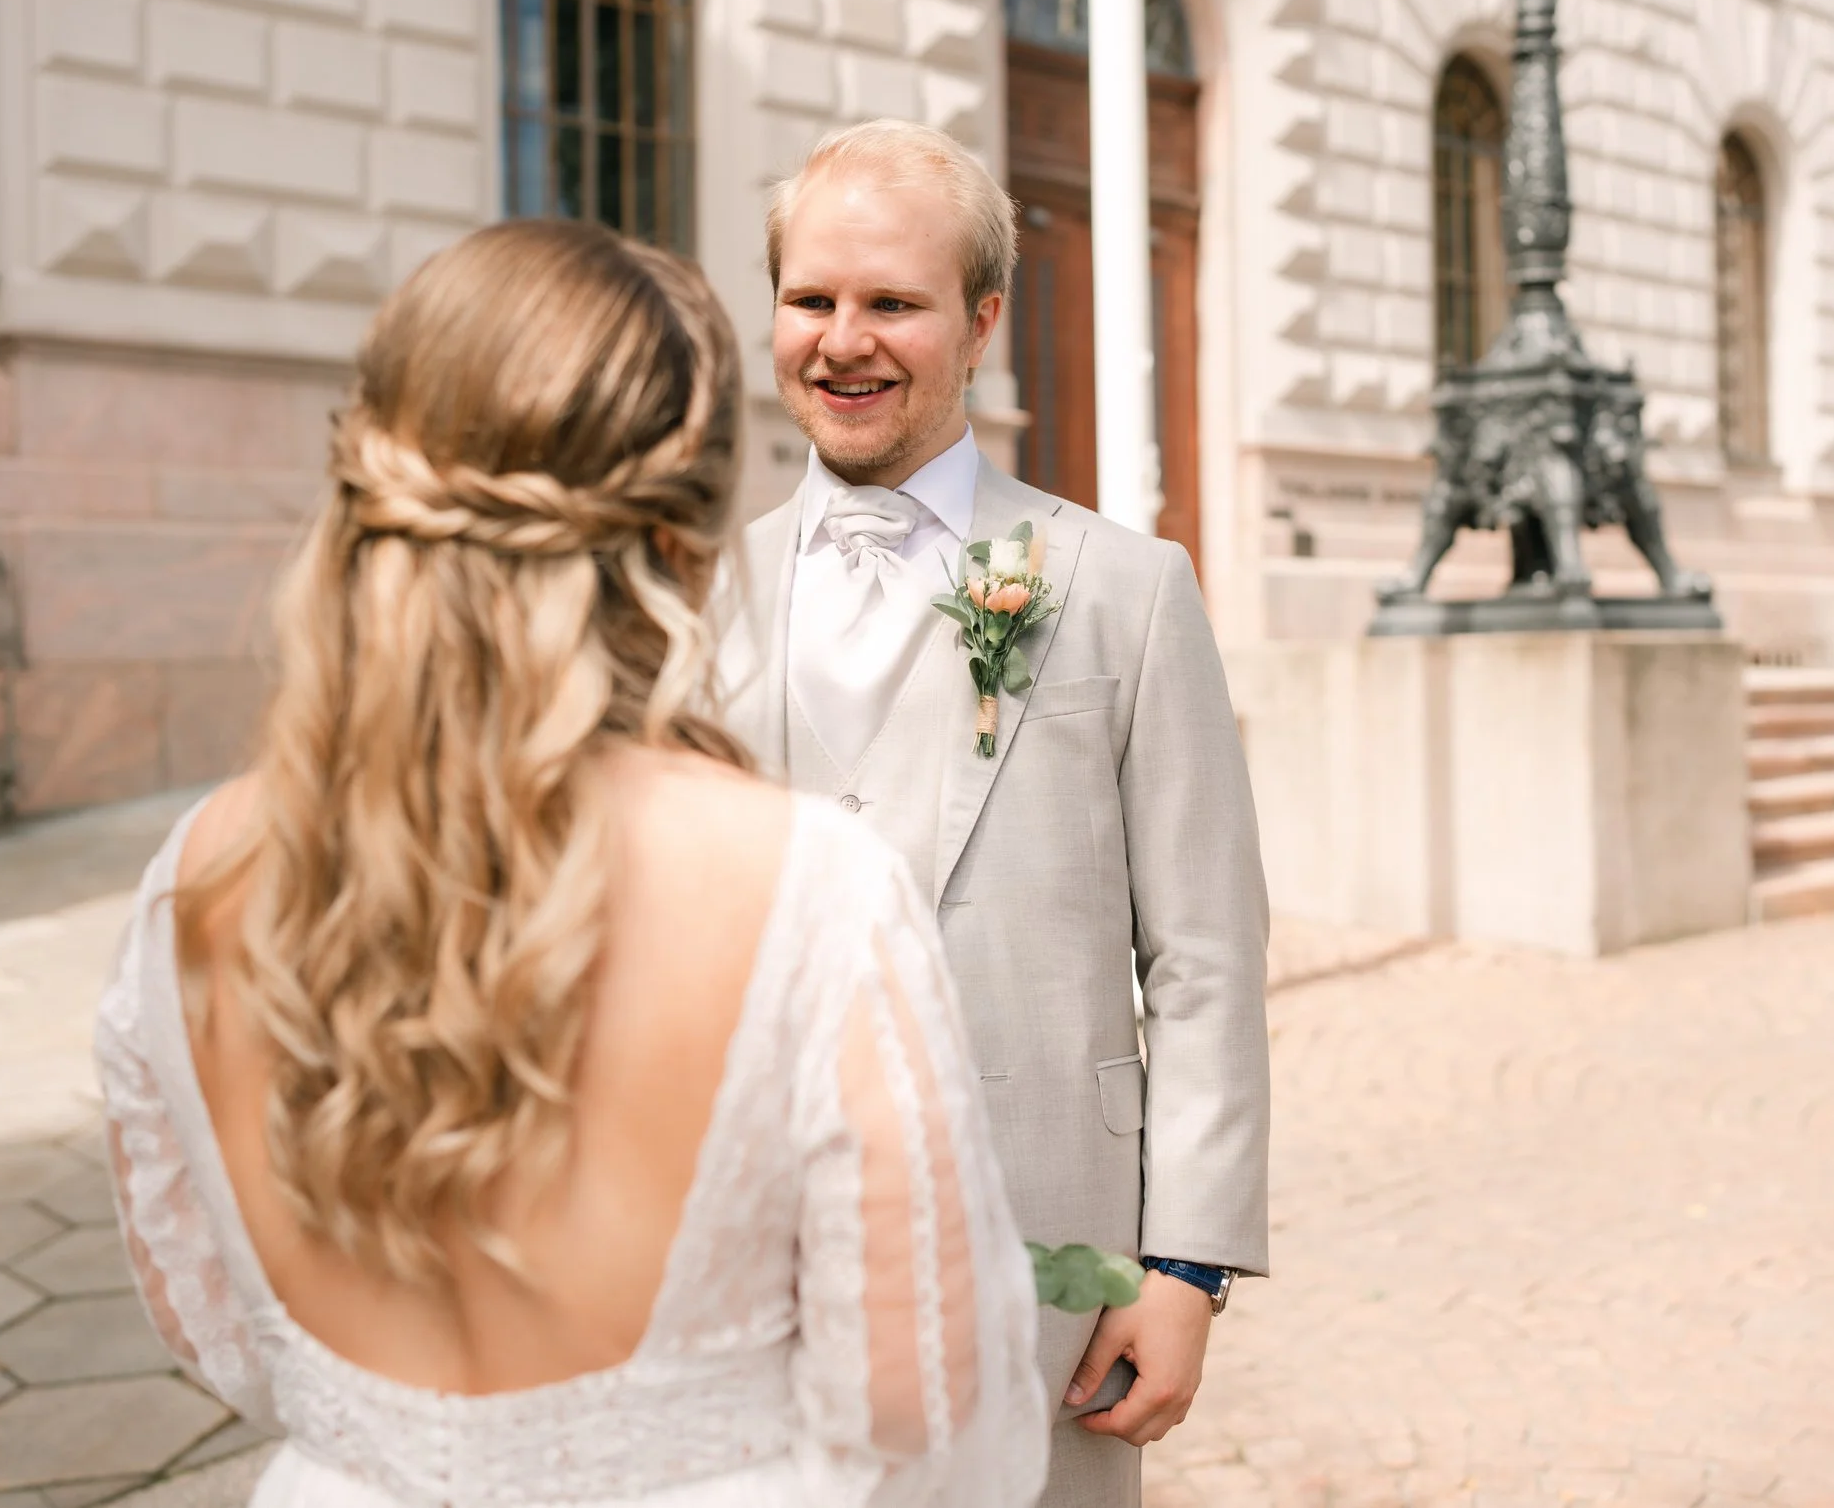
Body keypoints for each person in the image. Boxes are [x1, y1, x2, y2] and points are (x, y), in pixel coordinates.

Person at [94, 220, 1049, 1508]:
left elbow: (215, 1325)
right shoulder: (807, 891)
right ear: (683, 539)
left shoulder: (192, 879)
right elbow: (925, 1413)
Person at [718, 119, 1272, 1508]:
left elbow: (1204, 958)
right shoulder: (694, 597)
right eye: (812, 300)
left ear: (978, 323)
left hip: (1052, 1285)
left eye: (892, 303)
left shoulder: (1122, 588)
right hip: (749, 1297)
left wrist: (1186, 1265)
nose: (845, 341)